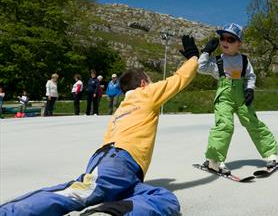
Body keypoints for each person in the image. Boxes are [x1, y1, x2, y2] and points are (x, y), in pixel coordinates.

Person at [0, 35, 199, 215]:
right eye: (151, 80)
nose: (154, 84)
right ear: (143, 84)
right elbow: (179, 79)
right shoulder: (146, 94)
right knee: (75, 194)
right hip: (119, 160)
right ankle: (9, 212)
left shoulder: (121, 109)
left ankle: (108, 212)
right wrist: (193, 57)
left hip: (123, 169)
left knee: (164, 199)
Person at [198, 23, 278, 174]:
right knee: (224, 125)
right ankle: (214, 160)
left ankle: (272, 153)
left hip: (242, 96)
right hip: (224, 96)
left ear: (239, 44)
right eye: (222, 38)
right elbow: (200, 67)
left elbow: (250, 76)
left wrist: (250, 89)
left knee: (252, 122)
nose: (225, 42)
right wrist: (205, 52)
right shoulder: (218, 61)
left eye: (230, 39)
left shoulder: (244, 60)